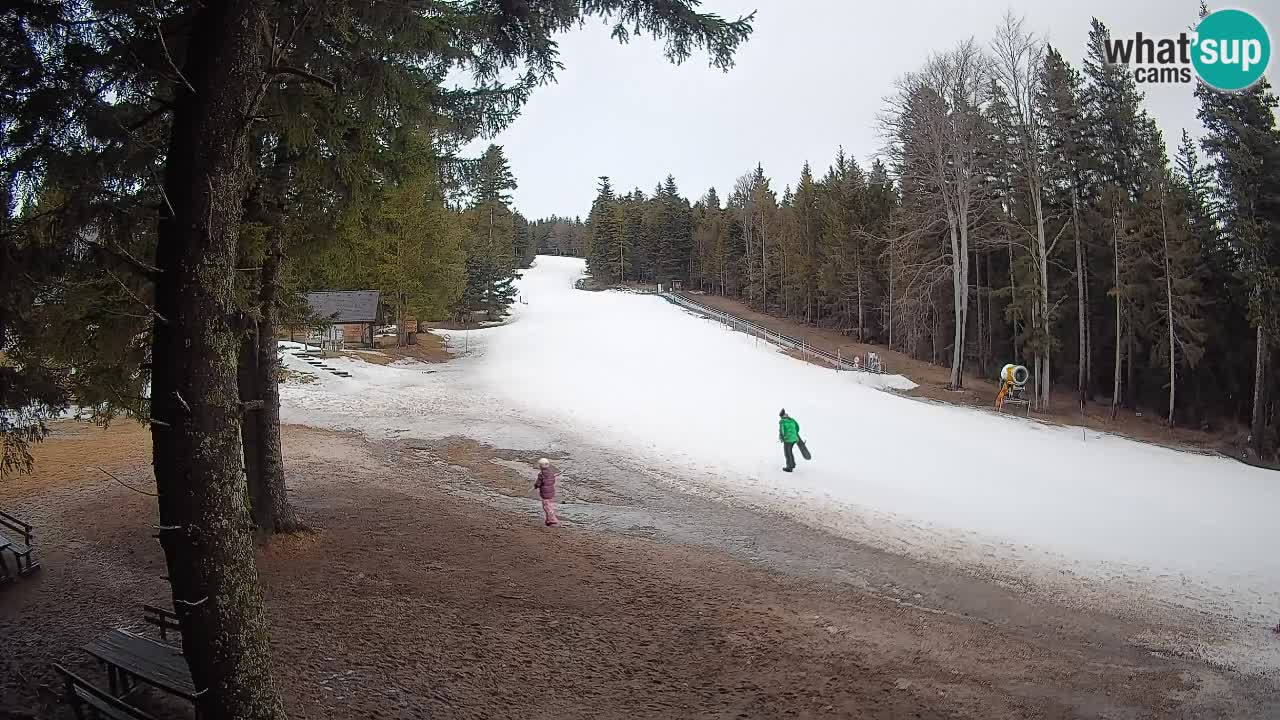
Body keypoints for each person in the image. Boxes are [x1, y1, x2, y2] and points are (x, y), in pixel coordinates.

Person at [534, 458, 560, 527]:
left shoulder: (541, 474)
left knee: (546, 506)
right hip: (551, 492)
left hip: (545, 493)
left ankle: (552, 520)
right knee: (549, 504)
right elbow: (553, 481)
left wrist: (536, 486)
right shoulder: (551, 473)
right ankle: (548, 519)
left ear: (540, 466)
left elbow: (538, 483)